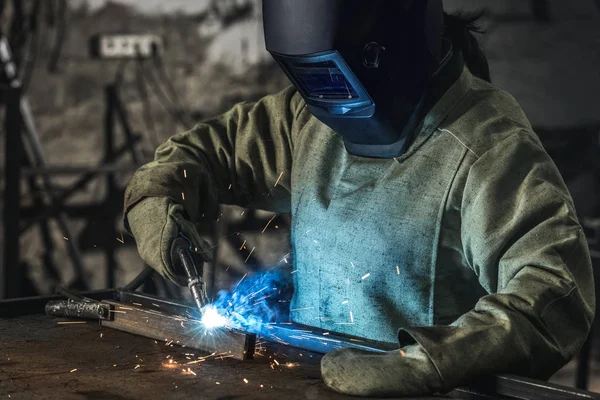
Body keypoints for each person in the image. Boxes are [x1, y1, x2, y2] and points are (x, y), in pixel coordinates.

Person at [123, 1, 595, 397]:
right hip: (304, 384)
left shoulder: (486, 148)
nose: (329, 101)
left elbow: (554, 292)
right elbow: (205, 154)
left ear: (388, 49)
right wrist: (157, 193)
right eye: (310, 76)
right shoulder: (306, 118)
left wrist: (428, 363)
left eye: (335, 74)